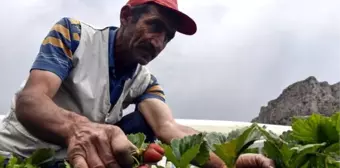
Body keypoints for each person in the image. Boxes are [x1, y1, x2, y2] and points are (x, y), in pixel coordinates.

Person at [0, 0, 275, 167]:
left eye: (167, 37)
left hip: (71, 161)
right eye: (154, 26)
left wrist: (229, 163)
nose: (158, 42)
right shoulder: (73, 34)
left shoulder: (146, 82)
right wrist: (79, 129)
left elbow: (168, 127)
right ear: (126, 17)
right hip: (17, 151)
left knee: (144, 126)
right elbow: (31, 100)